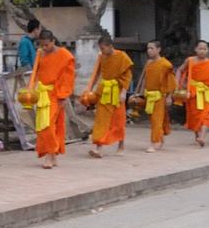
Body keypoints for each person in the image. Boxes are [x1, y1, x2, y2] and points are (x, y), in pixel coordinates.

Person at [84, 30, 134, 158]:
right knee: (100, 120)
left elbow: (127, 77)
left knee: (118, 120)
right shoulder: (102, 57)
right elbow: (97, 73)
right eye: (100, 48)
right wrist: (90, 89)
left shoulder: (122, 56)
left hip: (117, 92)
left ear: (110, 46)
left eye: (103, 48)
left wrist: (123, 92)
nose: (101, 51)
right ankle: (99, 148)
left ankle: (121, 145)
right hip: (104, 91)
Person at [32, 30, 76, 168]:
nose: (44, 48)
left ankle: (50, 155)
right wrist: (31, 89)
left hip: (56, 94)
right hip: (42, 94)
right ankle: (52, 153)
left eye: (46, 45)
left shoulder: (64, 55)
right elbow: (36, 73)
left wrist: (63, 96)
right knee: (42, 125)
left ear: (53, 41)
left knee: (49, 124)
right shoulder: (40, 53)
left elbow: (67, 78)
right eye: (41, 45)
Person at [179, 40, 209, 144]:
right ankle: (197, 136)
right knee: (194, 115)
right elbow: (180, 70)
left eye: (205, 49)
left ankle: (202, 137)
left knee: (206, 115)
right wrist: (177, 85)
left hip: (205, 92)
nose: (202, 51)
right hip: (193, 92)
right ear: (195, 49)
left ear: (208, 50)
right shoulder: (190, 60)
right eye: (200, 48)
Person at [141, 41, 175, 152]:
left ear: (158, 49)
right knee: (153, 119)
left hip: (160, 96)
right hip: (148, 96)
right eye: (148, 48)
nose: (149, 51)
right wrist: (141, 94)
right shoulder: (149, 64)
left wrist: (169, 96)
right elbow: (145, 80)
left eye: (152, 48)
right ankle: (161, 138)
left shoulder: (166, 65)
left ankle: (153, 144)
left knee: (157, 120)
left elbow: (171, 82)